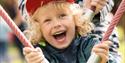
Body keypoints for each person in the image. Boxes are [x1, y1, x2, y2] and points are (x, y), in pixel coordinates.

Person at [23, 0, 114, 63]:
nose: (56, 24)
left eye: (62, 16)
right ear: (39, 29)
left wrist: (101, 60)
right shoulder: (40, 54)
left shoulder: (89, 45)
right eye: (47, 21)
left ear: (75, 19)